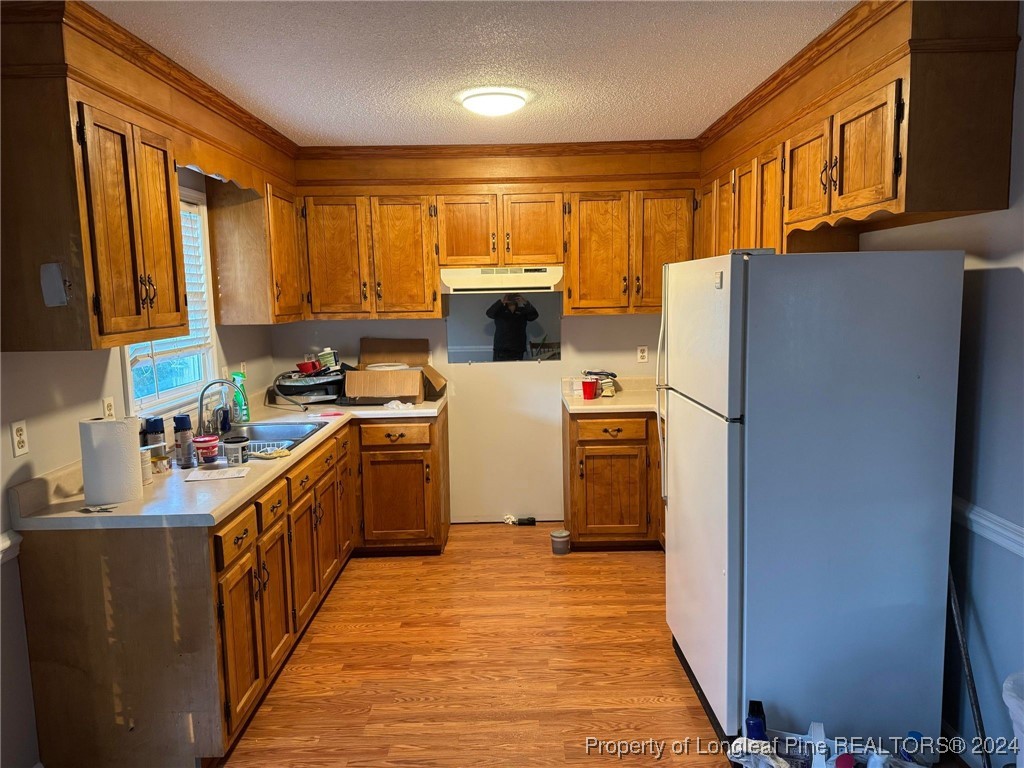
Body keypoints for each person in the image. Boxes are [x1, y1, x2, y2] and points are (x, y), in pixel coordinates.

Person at [485, 293, 539, 361]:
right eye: (509, 296)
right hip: (501, 350)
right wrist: (501, 301)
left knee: (516, 371)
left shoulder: (522, 311)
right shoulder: (500, 311)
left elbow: (534, 316)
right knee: (499, 371)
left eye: (514, 296)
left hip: (517, 350)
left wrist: (525, 302)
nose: (511, 298)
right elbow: (489, 313)